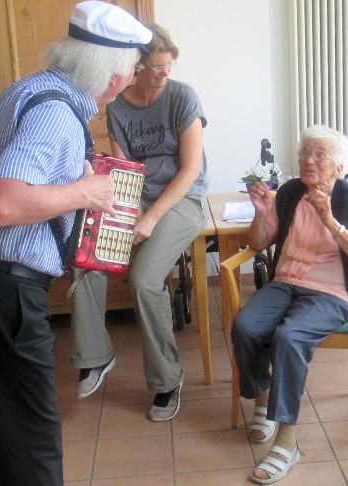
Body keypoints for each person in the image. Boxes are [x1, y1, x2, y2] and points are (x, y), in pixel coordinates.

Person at [0, 2, 151, 484]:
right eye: (134, 69)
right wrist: (85, 193)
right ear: (113, 75)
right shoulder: (56, 114)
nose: (131, 79)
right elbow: (3, 204)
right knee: (32, 444)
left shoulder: (30, 89)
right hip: (3, 292)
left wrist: (73, 188)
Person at [70, 23, 209, 422]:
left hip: (182, 199)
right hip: (136, 196)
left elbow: (190, 171)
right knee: (88, 255)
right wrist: (116, 212)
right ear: (137, 66)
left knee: (144, 279)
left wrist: (149, 219)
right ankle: (95, 357)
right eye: (156, 67)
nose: (165, 73)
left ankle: (167, 380)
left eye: (169, 65)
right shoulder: (117, 107)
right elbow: (124, 170)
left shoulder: (183, 97)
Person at [231, 125, 348, 484]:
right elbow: (259, 242)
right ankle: (263, 398)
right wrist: (260, 212)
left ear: (339, 167)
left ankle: (287, 440)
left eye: (319, 155)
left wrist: (331, 221)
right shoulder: (290, 193)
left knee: (290, 337)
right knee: (245, 327)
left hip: (332, 291)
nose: (308, 160)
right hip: (286, 283)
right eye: (304, 153)